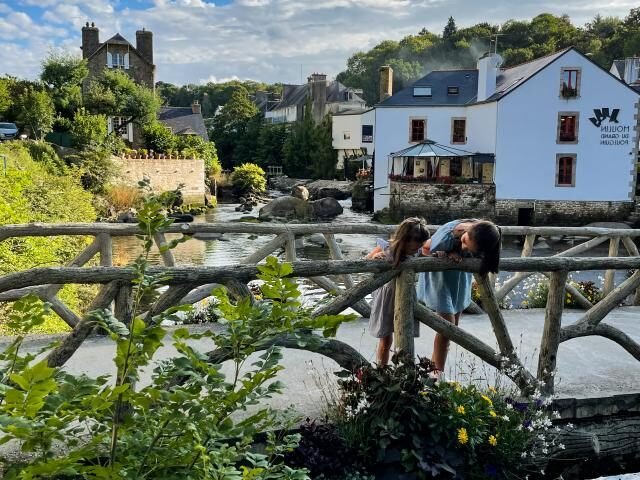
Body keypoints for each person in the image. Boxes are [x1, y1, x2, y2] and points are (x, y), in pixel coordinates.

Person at [417, 219, 501, 377]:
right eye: (463, 241)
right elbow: (425, 247)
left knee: (452, 328)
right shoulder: (448, 236)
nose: (463, 247)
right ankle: (437, 375)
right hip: (440, 278)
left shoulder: (485, 232)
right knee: (448, 328)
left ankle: (433, 371)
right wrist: (445, 252)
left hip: (459, 278)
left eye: (468, 248)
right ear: (465, 232)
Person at [367, 217, 430, 366]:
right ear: (405, 239)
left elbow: (429, 253)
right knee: (386, 337)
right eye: (416, 244)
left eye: (421, 243)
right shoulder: (387, 248)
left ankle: (403, 369)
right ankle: (381, 369)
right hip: (387, 295)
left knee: (404, 332)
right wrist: (375, 257)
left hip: (406, 294)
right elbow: (367, 259)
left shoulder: (418, 250)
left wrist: (442, 255)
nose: (419, 247)